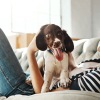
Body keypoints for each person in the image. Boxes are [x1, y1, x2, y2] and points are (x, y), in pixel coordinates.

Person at [0, 25, 99, 97]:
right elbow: (73, 67)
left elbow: (41, 93)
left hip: (28, 90)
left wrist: (30, 52)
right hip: (29, 78)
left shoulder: (97, 76)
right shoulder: (95, 62)